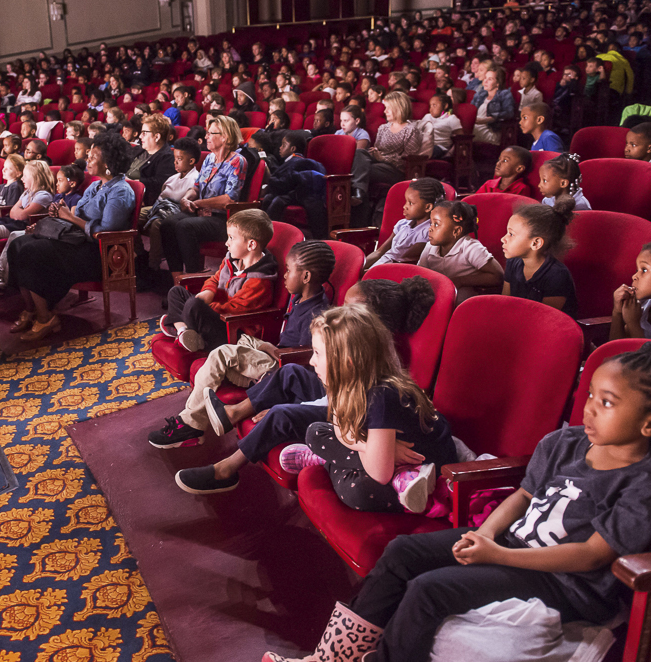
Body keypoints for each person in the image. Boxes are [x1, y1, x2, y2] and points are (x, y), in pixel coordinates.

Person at [264, 341, 651, 662]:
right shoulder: (566, 442)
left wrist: (498, 555)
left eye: (608, 403)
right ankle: (331, 656)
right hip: (509, 543)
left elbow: (591, 556)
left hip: (567, 581)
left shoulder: (650, 481)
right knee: (402, 552)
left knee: (429, 590)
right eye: (592, 395)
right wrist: (483, 534)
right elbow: (524, 495)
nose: (590, 409)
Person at [178, 277, 436, 494]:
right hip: (351, 410)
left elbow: (338, 406)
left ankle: (226, 469)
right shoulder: (359, 358)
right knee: (290, 372)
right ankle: (233, 412)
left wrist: (291, 407)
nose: (339, 310)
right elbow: (337, 406)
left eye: (349, 310)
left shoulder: (379, 377)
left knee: (282, 413)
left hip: (361, 417)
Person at [148, 240, 334, 448]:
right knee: (225, 354)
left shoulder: (316, 315)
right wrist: (264, 346)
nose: (284, 274)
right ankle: (191, 424)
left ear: (306, 277)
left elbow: (303, 367)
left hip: (279, 368)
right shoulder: (299, 297)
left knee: (222, 354)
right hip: (273, 354)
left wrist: (280, 400)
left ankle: (190, 425)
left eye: (288, 270)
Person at [273, 304, 457, 511]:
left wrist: (361, 444)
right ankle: (336, 458)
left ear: (347, 362)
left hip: (426, 466)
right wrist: (369, 447)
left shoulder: (381, 397)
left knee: (357, 491)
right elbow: (338, 428)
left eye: (317, 353)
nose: (311, 360)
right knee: (314, 432)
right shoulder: (345, 383)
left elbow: (379, 473)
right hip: (382, 456)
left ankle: (399, 478)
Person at [7, 132, 136, 341]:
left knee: (32, 251)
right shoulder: (95, 185)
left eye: (94, 156)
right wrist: (60, 217)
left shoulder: (121, 191)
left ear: (109, 162)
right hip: (76, 242)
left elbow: (105, 232)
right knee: (19, 244)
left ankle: (45, 317)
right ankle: (31, 310)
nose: (88, 159)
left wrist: (70, 217)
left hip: (98, 253)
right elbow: (76, 214)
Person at [159, 209, 277, 353]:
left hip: (232, 329)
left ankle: (181, 326)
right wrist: (208, 291)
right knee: (176, 291)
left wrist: (205, 306)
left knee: (193, 304)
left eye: (231, 238)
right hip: (215, 313)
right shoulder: (231, 259)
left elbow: (235, 310)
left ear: (251, 245)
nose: (226, 243)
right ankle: (183, 332)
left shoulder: (259, 281)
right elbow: (215, 279)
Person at [160, 115, 248, 274]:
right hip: (201, 213)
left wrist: (200, 203)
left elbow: (230, 198)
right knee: (167, 224)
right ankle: (177, 277)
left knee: (184, 226)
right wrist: (187, 198)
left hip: (223, 219)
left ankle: (193, 276)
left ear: (225, 137)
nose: (206, 136)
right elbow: (196, 188)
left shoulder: (237, 161)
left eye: (211, 133)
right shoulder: (209, 158)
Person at [501, 196, 579, 317]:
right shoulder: (513, 262)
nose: (503, 239)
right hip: (517, 324)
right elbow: (505, 304)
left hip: (547, 330)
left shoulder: (557, 276)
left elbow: (543, 320)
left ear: (536, 243)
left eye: (511, 234)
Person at [141, 137, 202, 275]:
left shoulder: (195, 179)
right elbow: (162, 196)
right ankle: (140, 254)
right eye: (174, 158)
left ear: (191, 161)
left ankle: (153, 266)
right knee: (134, 215)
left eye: (179, 159)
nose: (174, 162)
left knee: (157, 224)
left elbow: (186, 202)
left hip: (177, 211)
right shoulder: (173, 178)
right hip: (161, 207)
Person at [418, 200, 504, 298]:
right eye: (431, 223)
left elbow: (498, 276)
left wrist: (461, 280)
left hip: (463, 301)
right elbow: (420, 274)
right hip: (438, 295)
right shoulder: (430, 246)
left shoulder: (471, 247)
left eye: (436, 224)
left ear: (456, 231)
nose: (430, 228)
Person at [350, 92, 422, 207]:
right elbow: (378, 149)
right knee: (360, 153)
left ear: (398, 108)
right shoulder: (383, 128)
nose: (384, 111)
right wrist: (374, 153)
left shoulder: (411, 130)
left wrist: (384, 159)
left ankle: (358, 194)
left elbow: (408, 161)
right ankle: (359, 196)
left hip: (395, 170)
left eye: (388, 108)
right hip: (378, 163)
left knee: (360, 169)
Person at [367, 177, 446, 269]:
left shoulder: (429, 233)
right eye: (406, 202)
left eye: (410, 203)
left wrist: (367, 273)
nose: (405, 206)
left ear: (428, 207)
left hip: (394, 272)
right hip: (379, 267)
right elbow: (379, 252)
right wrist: (358, 269)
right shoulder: (402, 224)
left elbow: (401, 259)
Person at [135, 114, 176, 206]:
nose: (140, 136)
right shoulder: (139, 150)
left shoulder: (167, 158)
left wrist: (134, 182)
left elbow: (157, 184)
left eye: (144, 133)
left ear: (157, 137)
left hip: (145, 202)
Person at [473, 65, 516, 145]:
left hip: (491, 130)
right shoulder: (480, 94)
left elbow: (509, 113)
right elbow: (470, 110)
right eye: (485, 78)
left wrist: (489, 119)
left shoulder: (504, 94)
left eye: (490, 79)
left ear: (497, 83)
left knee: (465, 132)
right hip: (476, 127)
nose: (485, 81)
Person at [420, 94, 463, 159]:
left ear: (445, 106)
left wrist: (449, 154)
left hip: (440, 148)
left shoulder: (451, 118)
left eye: (434, 105)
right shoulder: (427, 116)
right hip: (424, 144)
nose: (431, 109)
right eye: (430, 106)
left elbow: (461, 139)